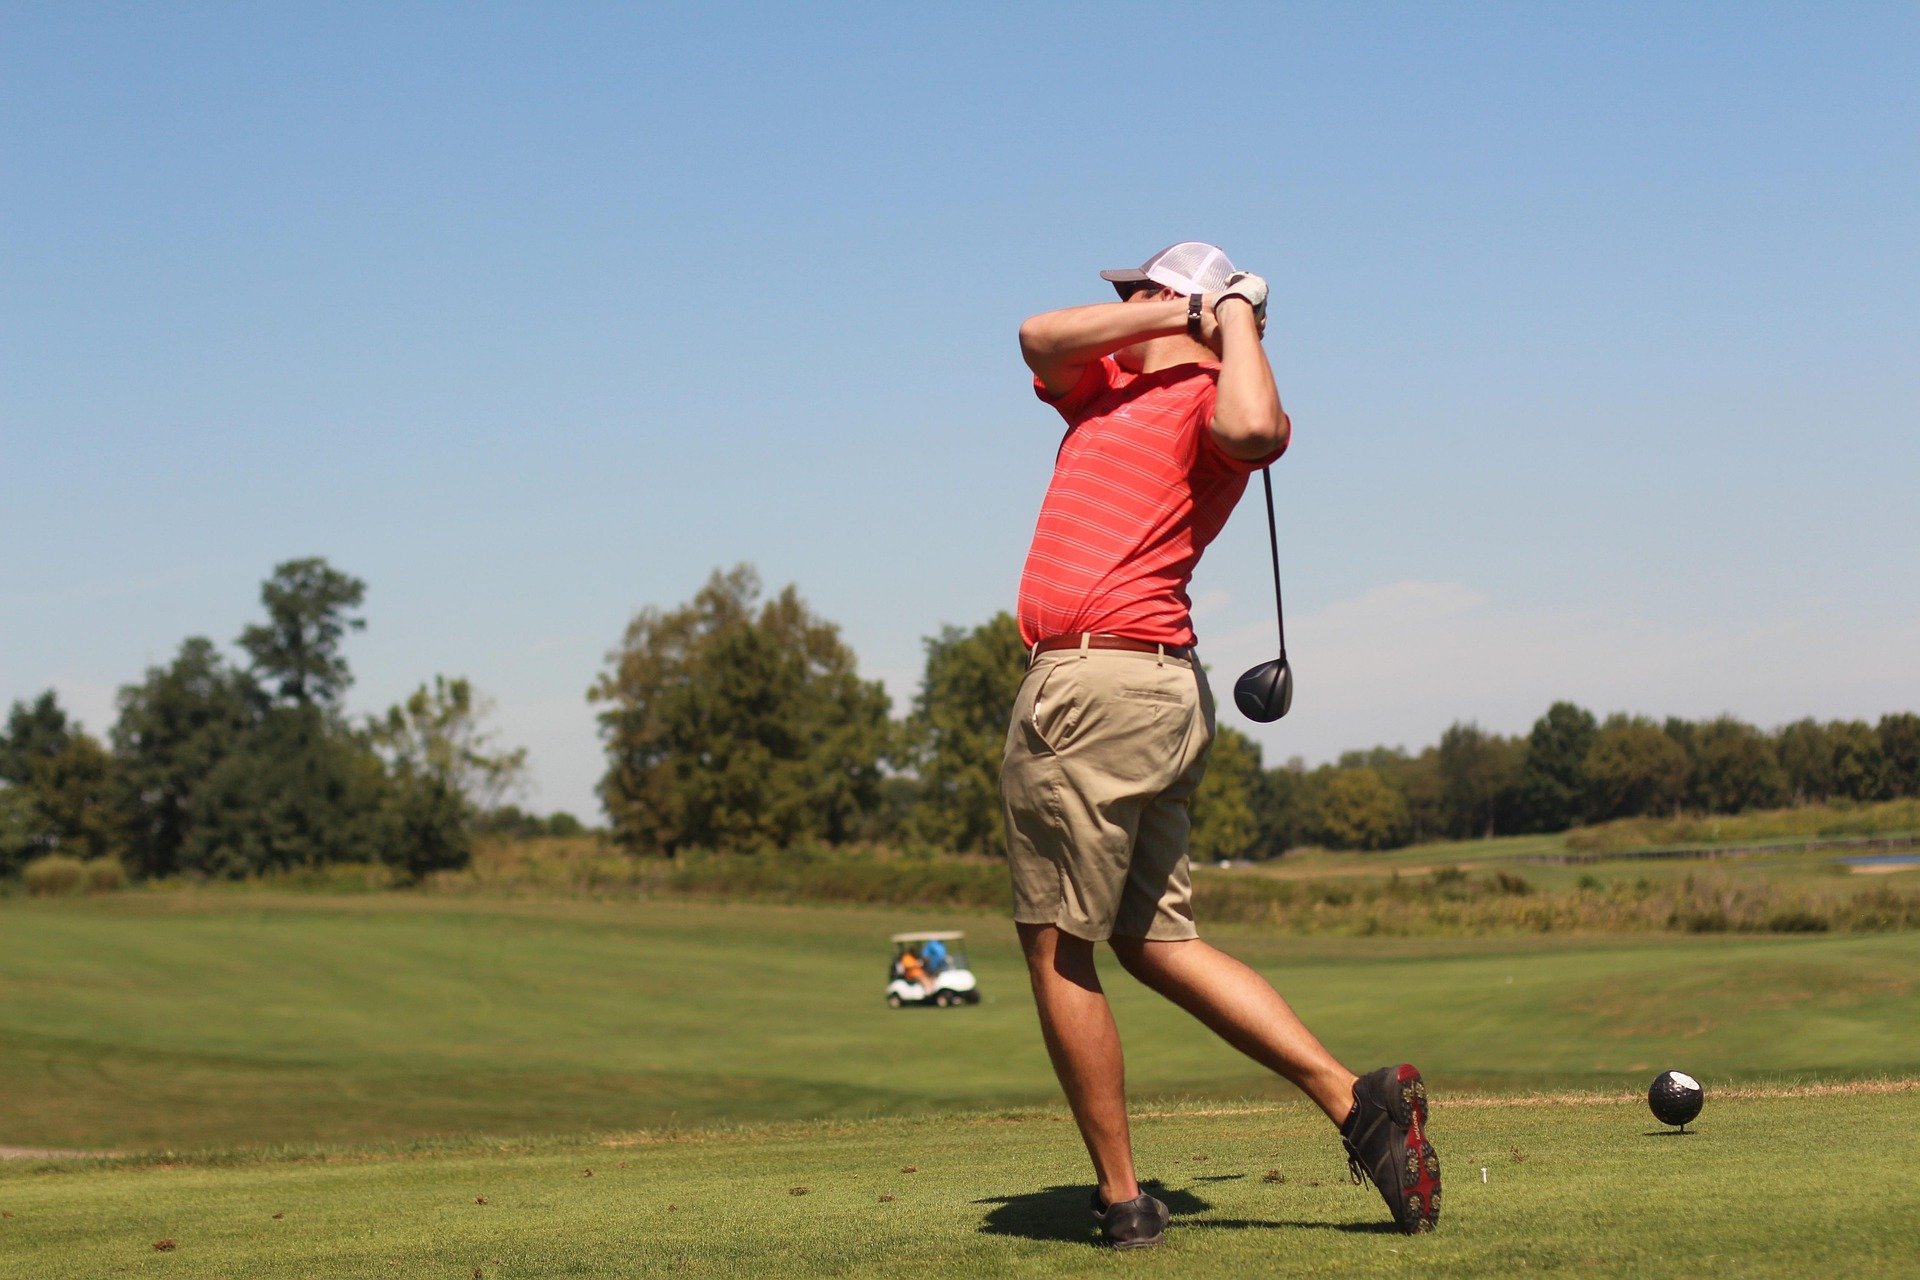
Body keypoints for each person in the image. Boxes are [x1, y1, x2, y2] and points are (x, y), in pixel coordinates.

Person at [1000, 242, 1440, 1249]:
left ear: (1187, 308)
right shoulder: (1105, 385)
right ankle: (1357, 1102)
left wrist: (1227, 319)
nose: (1123, 310)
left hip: (1095, 683)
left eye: (1143, 294)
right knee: (1156, 940)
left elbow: (1255, 425)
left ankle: (1121, 1199)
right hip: (1141, 691)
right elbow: (1038, 335)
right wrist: (1178, 315)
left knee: (1055, 940)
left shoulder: (1211, 396)